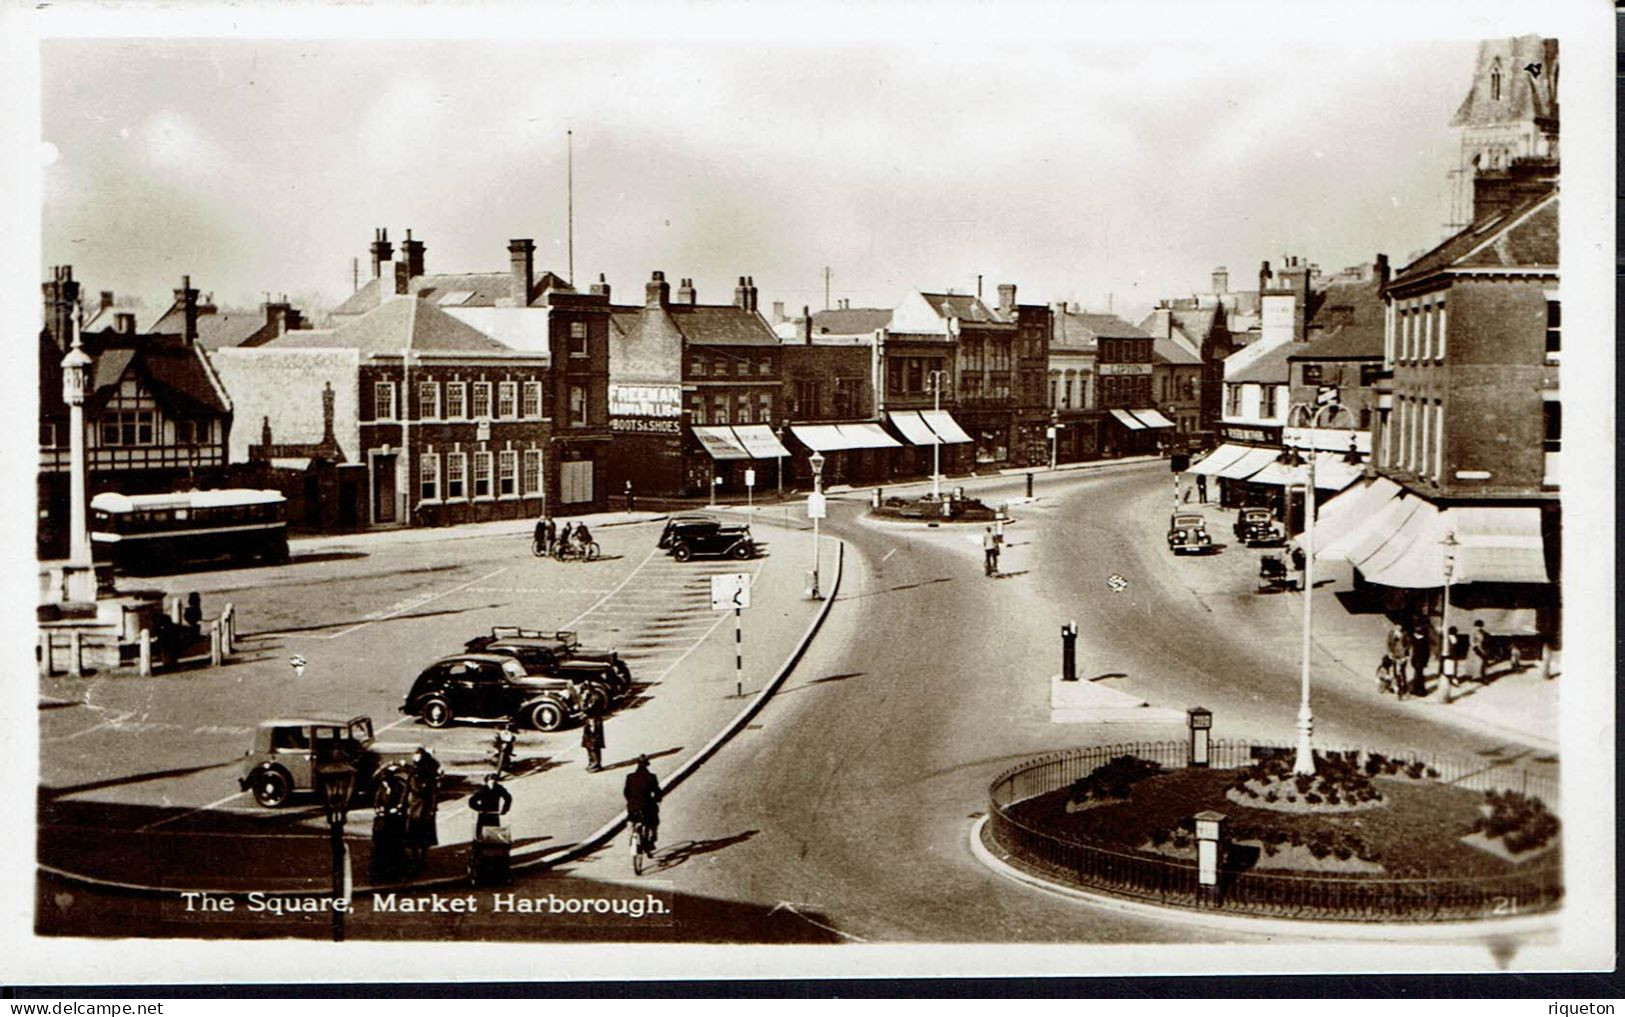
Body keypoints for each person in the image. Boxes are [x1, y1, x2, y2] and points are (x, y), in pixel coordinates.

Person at [623, 754, 662, 851]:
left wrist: (631, 800)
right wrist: (658, 799)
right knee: (654, 819)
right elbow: (657, 791)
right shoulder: (651, 777)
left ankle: (632, 836)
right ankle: (653, 837)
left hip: (633, 805)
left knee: (631, 819)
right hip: (647, 805)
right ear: (647, 765)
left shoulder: (630, 777)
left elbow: (626, 792)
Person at [1384, 621, 1411, 698]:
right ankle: (1396, 687)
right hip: (1394, 655)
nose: (1399, 629)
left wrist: (1405, 655)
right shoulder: (1391, 633)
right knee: (1395, 672)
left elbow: (1408, 645)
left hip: (1402, 655)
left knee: (1402, 671)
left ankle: (1404, 687)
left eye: (1400, 628)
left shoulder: (1405, 634)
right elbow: (1388, 643)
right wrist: (1389, 653)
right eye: (1397, 627)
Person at [1408, 619, 1432, 697]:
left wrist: (1425, 661)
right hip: (1417, 660)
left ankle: (1421, 691)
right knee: (1418, 675)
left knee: (1419, 675)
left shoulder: (1421, 640)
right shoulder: (1420, 640)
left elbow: (1426, 652)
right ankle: (1417, 689)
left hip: (1420, 660)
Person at [581, 707, 605, 772]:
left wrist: (583, 709)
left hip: (593, 720)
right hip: (592, 720)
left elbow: (590, 709)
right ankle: (593, 763)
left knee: (593, 744)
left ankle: (595, 764)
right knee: (589, 744)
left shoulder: (595, 697)